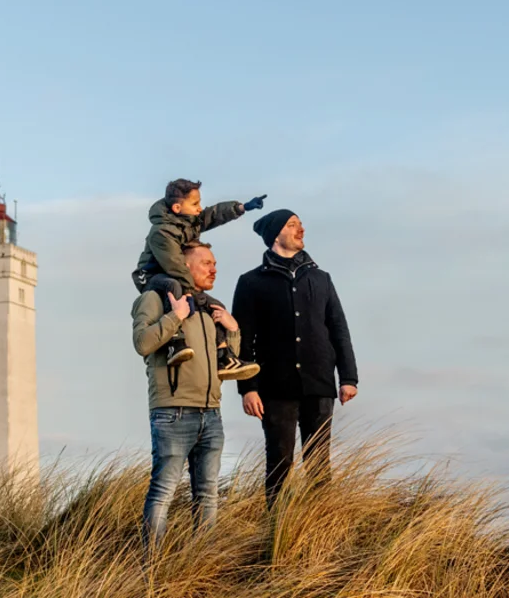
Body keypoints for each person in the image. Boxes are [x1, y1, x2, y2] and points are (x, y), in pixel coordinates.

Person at [232, 209, 359, 507]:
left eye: (301, 224)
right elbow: (241, 340)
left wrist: (348, 378)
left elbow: (339, 329)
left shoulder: (321, 278)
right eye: (292, 225)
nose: (301, 229)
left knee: (318, 464)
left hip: (320, 383)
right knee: (279, 463)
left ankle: (317, 528)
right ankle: (276, 527)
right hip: (274, 388)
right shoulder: (251, 282)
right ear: (276, 234)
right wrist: (248, 387)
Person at [133, 241, 242, 546]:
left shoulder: (209, 306)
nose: (214, 268)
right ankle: (151, 570)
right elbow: (142, 343)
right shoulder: (155, 299)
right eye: (207, 262)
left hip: (212, 412)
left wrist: (232, 331)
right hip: (173, 412)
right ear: (184, 266)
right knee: (163, 492)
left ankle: (200, 567)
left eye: (215, 263)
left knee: (208, 495)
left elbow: (225, 367)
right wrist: (176, 317)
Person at [131, 178, 265, 380]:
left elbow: (213, 215)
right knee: (174, 286)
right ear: (177, 207)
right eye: (195, 204)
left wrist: (240, 207)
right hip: (152, 276)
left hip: (174, 273)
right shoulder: (162, 232)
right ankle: (175, 342)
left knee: (213, 305)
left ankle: (223, 356)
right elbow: (175, 264)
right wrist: (190, 292)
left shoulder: (189, 221)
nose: (199, 208)